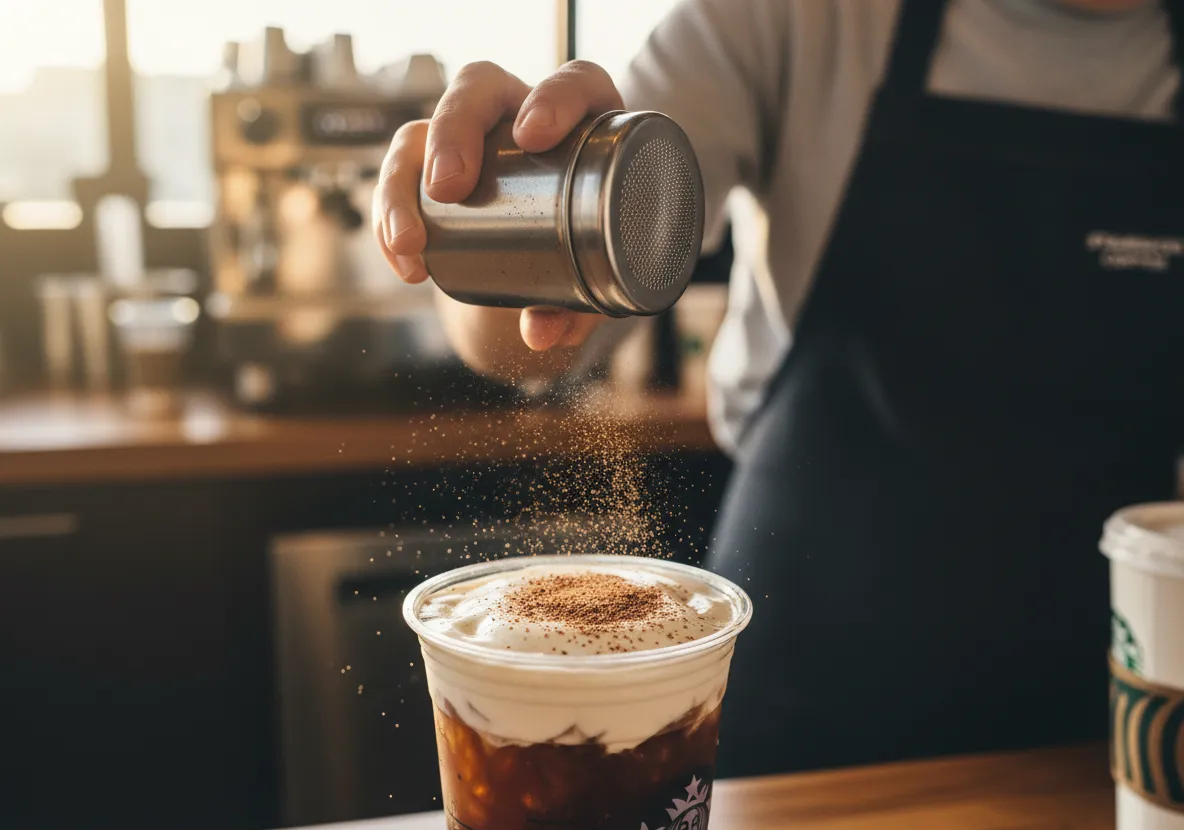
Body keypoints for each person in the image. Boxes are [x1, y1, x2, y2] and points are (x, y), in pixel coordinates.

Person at [375, 0, 1184, 777]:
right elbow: (534, 346)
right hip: (808, 704)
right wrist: (484, 203)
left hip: (1123, 722)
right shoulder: (793, 15)